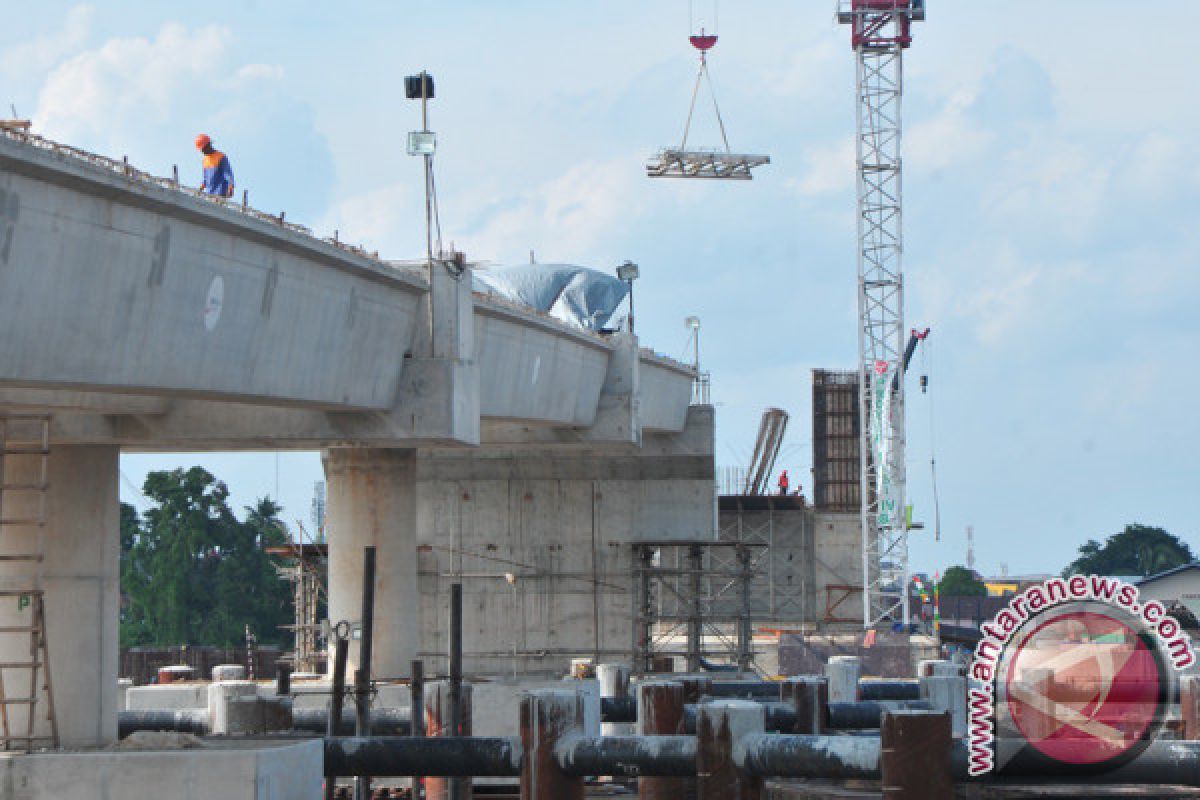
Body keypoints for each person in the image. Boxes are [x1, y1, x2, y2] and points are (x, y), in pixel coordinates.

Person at [194, 133, 235, 198]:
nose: (203, 152)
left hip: (221, 193)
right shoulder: (205, 160)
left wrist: (231, 187)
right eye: (201, 150)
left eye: (203, 149)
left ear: (208, 145)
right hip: (209, 194)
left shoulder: (220, 157)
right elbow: (205, 179)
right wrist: (200, 190)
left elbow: (228, 174)